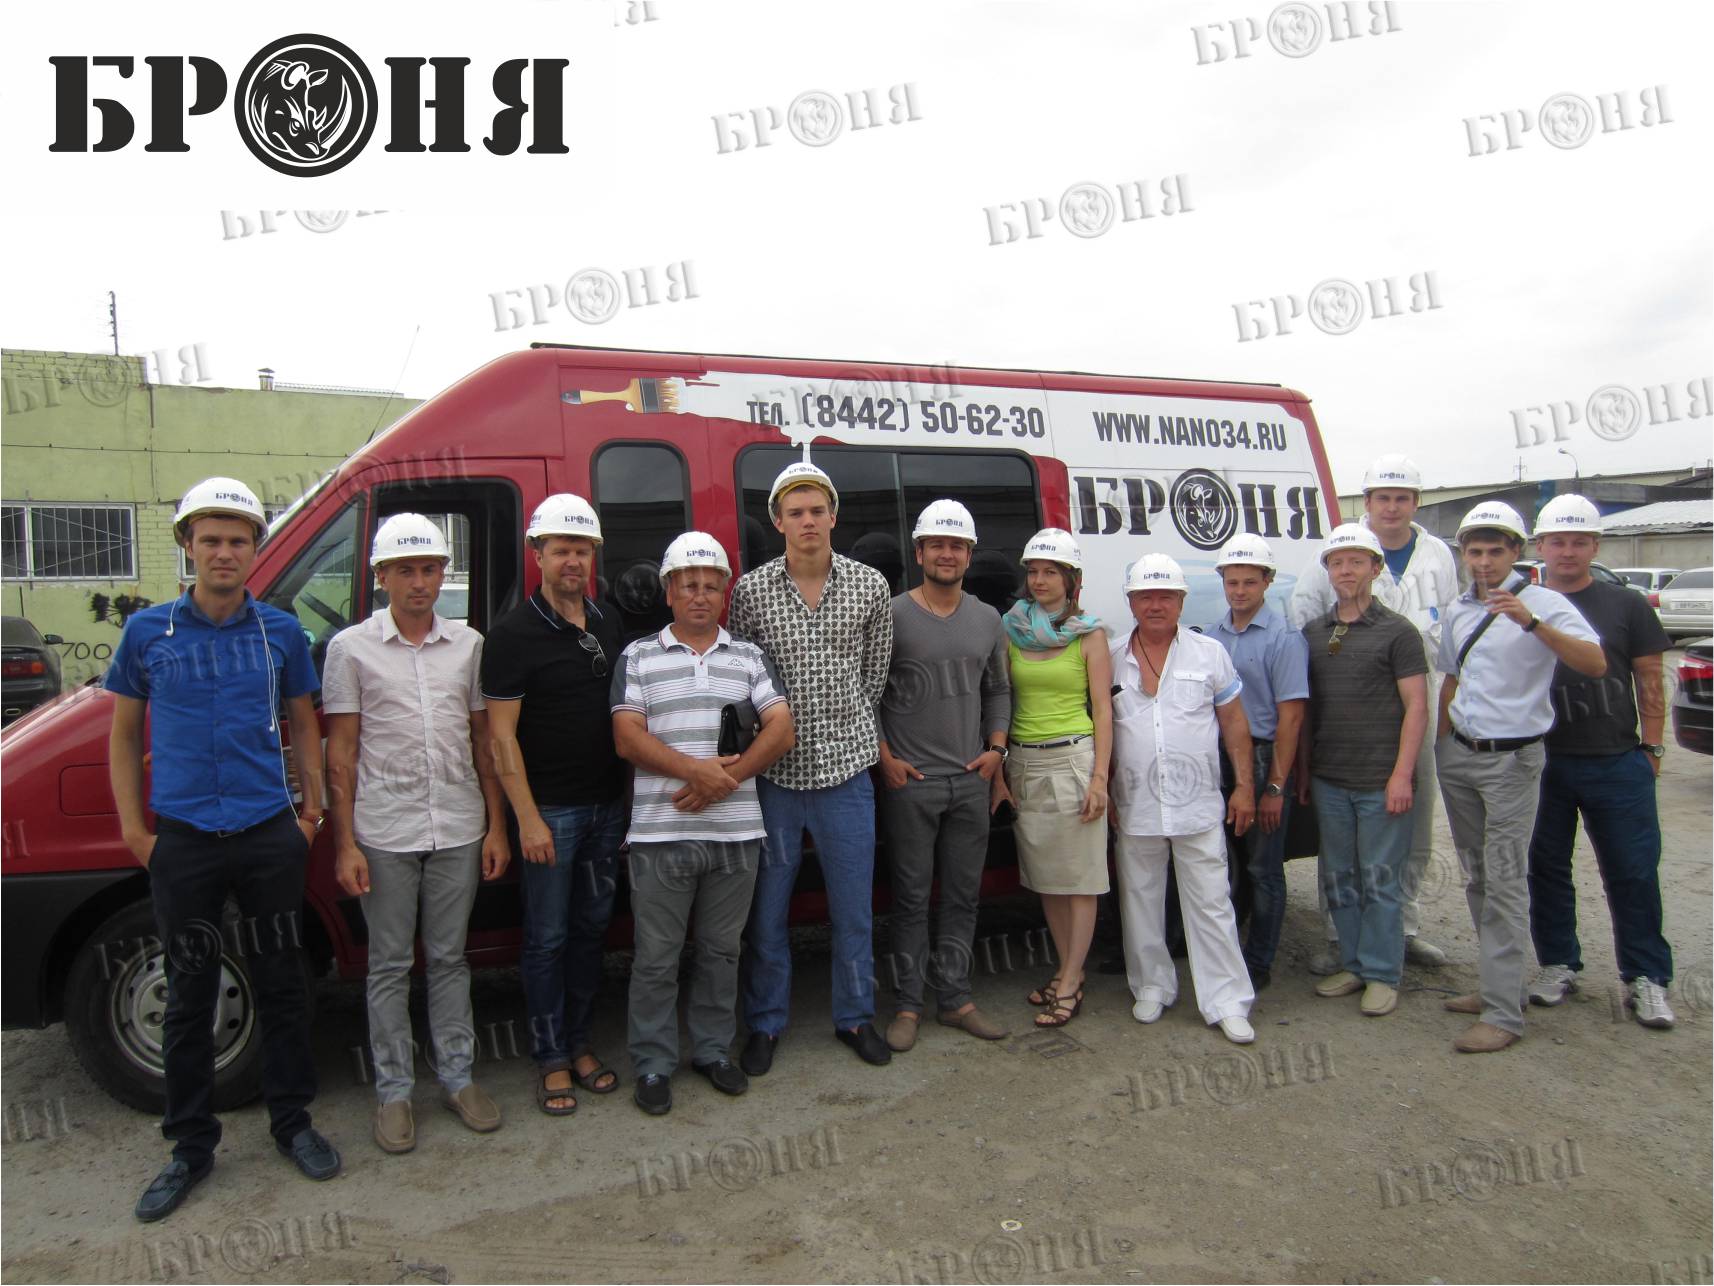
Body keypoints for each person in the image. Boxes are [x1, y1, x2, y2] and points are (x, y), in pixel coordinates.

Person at [106, 477, 339, 1222]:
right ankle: (189, 1147)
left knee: (282, 984)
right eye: (210, 539)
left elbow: (304, 723)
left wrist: (311, 814)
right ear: (187, 545)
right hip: (184, 840)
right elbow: (123, 736)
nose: (224, 552)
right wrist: (136, 832)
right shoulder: (148, 633)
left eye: (238, 540)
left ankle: (293, 1123)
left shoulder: (280, 632)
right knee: (189, 996)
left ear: (254, 549)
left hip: (268, 832)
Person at [322, 514, 512, 1153]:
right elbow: (341, 752)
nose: (420, 582)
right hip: (384, 830)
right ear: (381, 577)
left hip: (458, 824)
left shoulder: (468, 645)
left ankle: (458, 1078)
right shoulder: (351, 649)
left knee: (451, 959)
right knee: (388, 964)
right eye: (405, 570)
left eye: (430, 569)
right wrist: (344, 843)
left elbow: (484, 742)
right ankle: (395, 1092)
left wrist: (495, 826)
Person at [611, 534, 795, 1115]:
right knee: (656, 957)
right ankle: (653, 1062)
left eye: (711, 586)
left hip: (736, 835)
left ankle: (713, 1051)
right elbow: (627, 737)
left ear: (724, 594)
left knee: (721, 952)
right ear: (668, 592)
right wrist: (697, 772)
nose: (700, 594)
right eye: (688, 584)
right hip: (660, 835)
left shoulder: (749, 656)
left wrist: (726, 778)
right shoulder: (638, 656)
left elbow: (781, 729)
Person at [729, 460, 894, 1072]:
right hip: (775, 779)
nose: (807, 521)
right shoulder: (750, 591)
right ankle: (765, 1024)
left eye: (817, 511)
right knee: (767, 911)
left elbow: (874, 676)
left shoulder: (869, 586)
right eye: (795, 512)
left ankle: (855, 1017)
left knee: (852, 909)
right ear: (777, 522)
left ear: (833, 517)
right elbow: (743, 677)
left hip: (847, 774)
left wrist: (842, 725)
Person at [1435, 501, 1606, 1053]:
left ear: (1516, 552)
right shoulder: (1459, 608)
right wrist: (1440, 742)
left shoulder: (1545, 602)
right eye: (1474, 551)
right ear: (1464, 555)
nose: (1484, 561)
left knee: (1505, 882)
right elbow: (1452, 677)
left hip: (1512, 761)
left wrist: (1530, 623)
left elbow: (1595, 663)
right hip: (1460, 756)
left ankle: (1504, 1015)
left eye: (1495, 551)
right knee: (1477, 876)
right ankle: (1496, 985)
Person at [481, 494, 627, 1113]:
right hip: (552, 816)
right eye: (561, 549)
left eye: (582, 550)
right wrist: (528, 819)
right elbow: (500, 738)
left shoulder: (607, 621)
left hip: (606, 810)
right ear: (537, 554)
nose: (573, 560)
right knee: (545, 939)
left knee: (591, 932)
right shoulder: (512, 635)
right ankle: (550, 1058)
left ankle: (579, 1042)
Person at [1288, 454, 1458, 972]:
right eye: (1383, 497)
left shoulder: (1437, 555)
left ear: (1416, 502)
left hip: (1414, 702)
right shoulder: (1338, 549)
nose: (1392, 507)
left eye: (1402, 498)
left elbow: (1450, 632)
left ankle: (1403, 928)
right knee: (1341, 835)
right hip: (1350, 706)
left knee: (1412, 822)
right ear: (1367, 501)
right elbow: (1304, 623)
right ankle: (1340, 936)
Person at [1524, 495, 1676, 1028]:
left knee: (1632, 871)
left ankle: (1647, 977)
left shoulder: (1626, 605)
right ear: (1540, 546)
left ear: (1595, 546)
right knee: (1544, 869)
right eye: (1557, 541)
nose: (1567, 551)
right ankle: (1557, 963)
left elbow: (1649, 679)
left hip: (1615, 760)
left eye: (1578, 541)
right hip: (1541, 760)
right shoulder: (1523, 603)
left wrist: (1652, 748)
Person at [876, 501, 1012, 1051]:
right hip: (911, 784)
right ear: (920, 553)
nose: (947, 554)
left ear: (969, 555)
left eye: (957, 545)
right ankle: (909, 1005)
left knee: (962, 898)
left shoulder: (988, 619)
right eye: (937, 544)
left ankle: (955, 999)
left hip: (970, 781)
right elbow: (869, 692)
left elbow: (997, 689)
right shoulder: (890, 615)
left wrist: (996, 751)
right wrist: (884, 756)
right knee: (910, 900)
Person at [1108, 553, 1257, 1045]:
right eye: (1145, 596)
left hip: (1198, 807)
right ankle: (1152, 985)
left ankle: (1227, 1001)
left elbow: (1235, 724)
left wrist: (1244, 786)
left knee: (1212, 904)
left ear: (1181, 600)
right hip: (1135, 805)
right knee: (1140, 901)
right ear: (1131, 601)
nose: (1156, 605)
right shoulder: (1110, 656)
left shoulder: (1209, 653)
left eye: (1166, 596)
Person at [1298, 525, 1428, 1018]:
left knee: (1380, 880)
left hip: (1380, 781)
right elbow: (1308, 710)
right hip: (1331, 779)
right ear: (1327, 571)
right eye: (1337, 563)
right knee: (1339, 877)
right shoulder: (1315, 633)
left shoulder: (1399, 633)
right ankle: (1354, 964)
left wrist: (1402, 775)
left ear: (1375, 568)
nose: (1346, 571)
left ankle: (1382, 973)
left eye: (1356, 562)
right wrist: (1306, 772)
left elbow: (1417, 707)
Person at [994, 527, 1111, 1028]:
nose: (1040, 580)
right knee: (1048, 880)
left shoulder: (1089, 633)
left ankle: (1069, 979)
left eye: (1051, 572)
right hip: (1025, 763)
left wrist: (1100, 779)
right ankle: (1068, 971)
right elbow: (1001, 700)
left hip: (1073, 761)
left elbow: (1103, 710)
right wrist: (1001, 770)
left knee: (1080, 879)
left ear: (1071, 579)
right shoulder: (1011, 629)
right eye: (1034, 572)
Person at [1208, 534, 1309, 992]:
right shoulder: (1212, 637)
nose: (1240, 590)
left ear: (1267, 582)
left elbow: (1291, 718)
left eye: (1249, 582)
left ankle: (1259, 960)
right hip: (1220, 756)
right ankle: (1225, 952)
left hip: (1265, 754)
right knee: (1225, 865)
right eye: (1232, 582)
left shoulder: (1284, 639)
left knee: (1263, 868)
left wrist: (1274, 788)